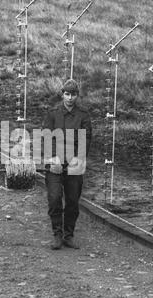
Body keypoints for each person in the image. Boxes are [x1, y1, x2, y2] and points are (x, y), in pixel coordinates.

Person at [42, 79, 92, 250]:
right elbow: (47, 137)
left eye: (74, 94)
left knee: (72, 201)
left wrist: (79, 158)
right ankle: (57, 234)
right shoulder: (53, 112)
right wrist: (52, 157)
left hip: (74, 163)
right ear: (62, 94)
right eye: (67, 94)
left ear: (78, 95)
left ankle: (68, 235)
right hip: (55, 163)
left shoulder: (83, 115)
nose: (70, 98)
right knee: (54, 198)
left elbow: (86, 139)